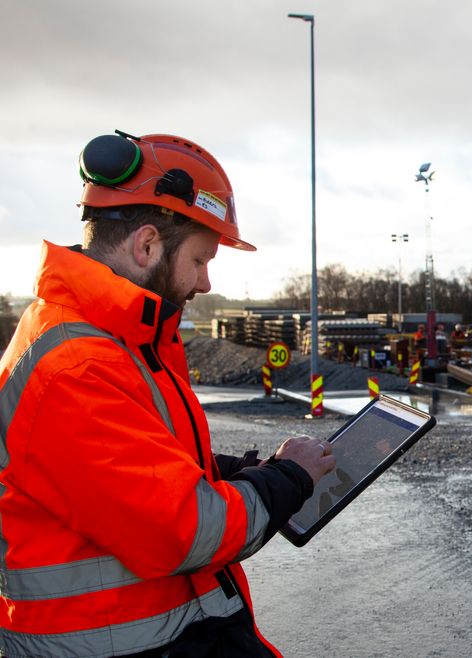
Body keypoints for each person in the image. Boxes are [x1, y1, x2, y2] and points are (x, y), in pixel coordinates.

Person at [0, 131, 338, 657]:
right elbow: (186, 531)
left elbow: (140, 466)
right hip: (113, 645)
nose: (204, 283)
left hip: (146, 633)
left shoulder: (111, 336)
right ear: (148, 245)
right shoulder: (78, 365)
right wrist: (287, 478)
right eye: (201, 261)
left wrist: (232, 468)